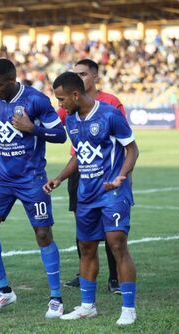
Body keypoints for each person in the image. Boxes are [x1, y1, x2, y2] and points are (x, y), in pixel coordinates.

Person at [0, 58, 67, 317]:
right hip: (0, 179)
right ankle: (4, 292)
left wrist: (32, 129)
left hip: (31, 179)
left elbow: (60, 135)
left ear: (12, 81)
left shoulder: (36, 100)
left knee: (43, 235)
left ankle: (56, 298)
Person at [45, 71, 138, 325]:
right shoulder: (72, 121)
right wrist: (60, 178)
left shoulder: (109, 115)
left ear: (76, 94)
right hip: (86, 195)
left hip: (112, 193)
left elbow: (132, 149)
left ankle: (128, 308)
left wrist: (121, 175)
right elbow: (78, 156)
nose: (59, 105)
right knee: (86, 249)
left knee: (118, 245)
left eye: (62, 99)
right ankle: (87, 306)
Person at [59, 59, 127, 294]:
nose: (79, 77)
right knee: (84, 229)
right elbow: (56, 129)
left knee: (112, 231)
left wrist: (123, 175)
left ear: (95, 77)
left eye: (84, 73)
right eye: (75, 73)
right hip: (80, 171)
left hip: (108, 173)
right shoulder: (67, 105)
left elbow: (125, 142)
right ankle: (84, 276)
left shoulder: (111, 104)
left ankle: (115, 278)